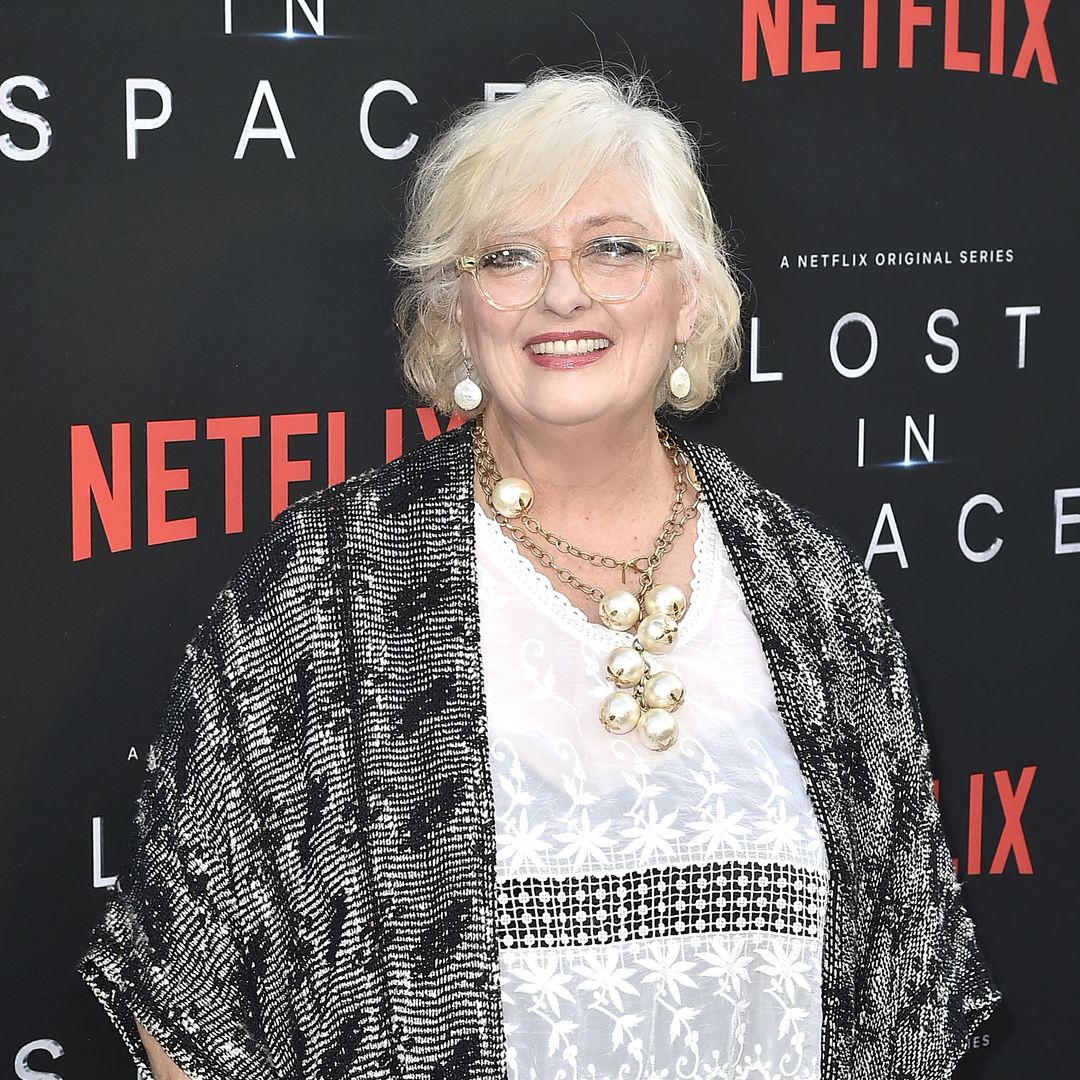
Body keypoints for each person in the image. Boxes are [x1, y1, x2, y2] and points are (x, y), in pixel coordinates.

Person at [78, 69, 1001, 1080]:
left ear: (688, 295)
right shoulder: (324, 592)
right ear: (456, 313)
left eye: (614, 247)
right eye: (509, 256)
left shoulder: (815, 596)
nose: (563, 293)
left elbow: (904, 997)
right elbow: (194, 997)